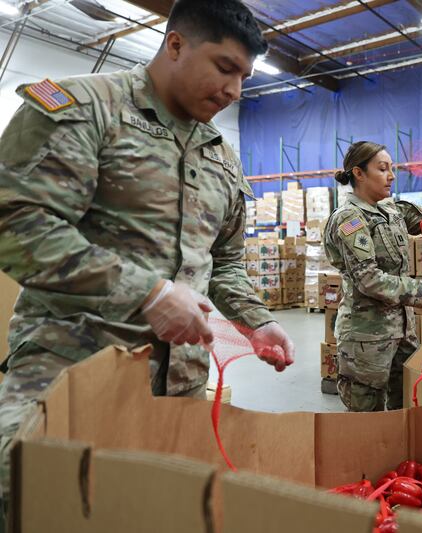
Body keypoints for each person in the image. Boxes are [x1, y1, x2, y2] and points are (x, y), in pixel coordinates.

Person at [0, 0, 296, 509]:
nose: (234, 91)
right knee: (35, 498)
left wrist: (257, 321)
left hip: (179, 387)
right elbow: (16, 225)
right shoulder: (85, 107)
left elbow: (221, 261)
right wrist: (148, 293)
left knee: (155, 510)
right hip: (72, 369)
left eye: (244, 76)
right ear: (175, 44)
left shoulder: (219, 155)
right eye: (225, 68)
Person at [324, 142, 422, 412]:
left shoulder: (393, 211)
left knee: (405, 411)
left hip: (402, 334)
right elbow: (368, 279)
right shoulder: (350, 220)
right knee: (368, 419)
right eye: (382, 169)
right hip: (367, 339)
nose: (391, 175)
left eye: (391, 168)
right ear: (359, 173)